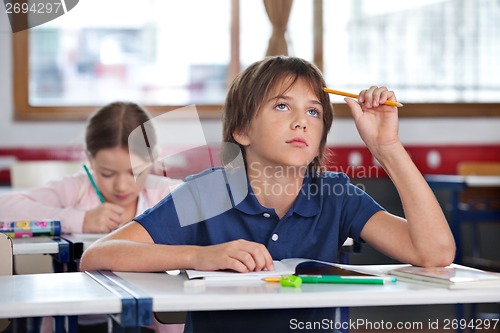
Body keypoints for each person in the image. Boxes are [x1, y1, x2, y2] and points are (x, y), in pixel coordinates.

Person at [80, 56, 456, 333]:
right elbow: (97, 255)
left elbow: (436, 253)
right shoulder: (211, 193)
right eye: (281, 106)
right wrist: (200, 256)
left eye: (313, 112)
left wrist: (386, 147)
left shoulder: (335, 193)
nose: (301, 121)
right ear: (241, 130)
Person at [0, 102, 183, 333]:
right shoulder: (77, 190)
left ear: (153, 159)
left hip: (150, 320)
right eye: (107, 174)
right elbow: (4, 207)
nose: (122, 185)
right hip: (78, 318)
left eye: (135, 172)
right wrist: (80, 219)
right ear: (90, 159)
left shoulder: (164, 194)